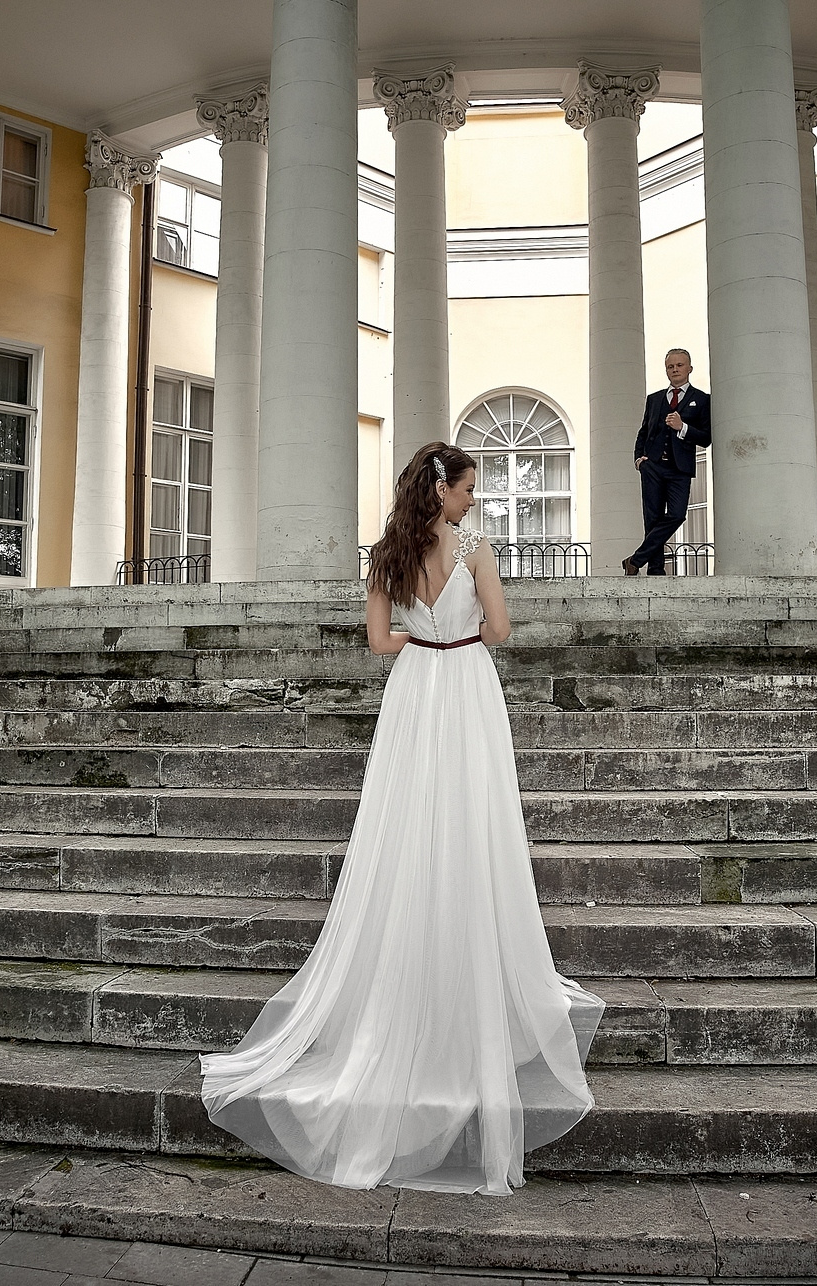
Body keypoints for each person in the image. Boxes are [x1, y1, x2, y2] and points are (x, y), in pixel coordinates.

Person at [199, 442, 602, 1196]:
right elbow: (504, 629)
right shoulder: (476, 550)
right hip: (467, 687)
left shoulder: (386, 554)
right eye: (469, 490)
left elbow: (380, 643)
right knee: (471, 824)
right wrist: (466, 632)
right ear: (443, 489)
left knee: (409, 823)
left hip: (417, 686)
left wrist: (425, 638)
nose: (473, 504)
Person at [624, 347, 712, 575]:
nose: (675, 370)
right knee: (652, 518)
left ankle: (636, 559)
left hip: (679, 469)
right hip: (652, 466)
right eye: (670, 366)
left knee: (676, 514)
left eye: (679, 365)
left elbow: (706, 438)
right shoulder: (654, 399)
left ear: (689, 368)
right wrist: (639, 459)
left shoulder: (701, 400)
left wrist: (682, 427)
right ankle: (655, 569)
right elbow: (644, 431)